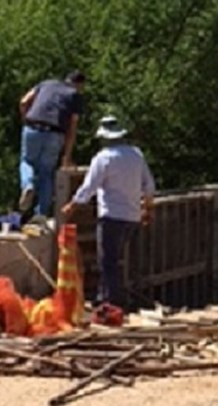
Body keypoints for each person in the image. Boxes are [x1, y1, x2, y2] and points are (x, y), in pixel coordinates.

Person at [60, 116, 155, 311]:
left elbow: (89, 187)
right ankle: (105, 297)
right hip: (132, 216)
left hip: (112, 216)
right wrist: (148, 208)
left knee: (107, 261)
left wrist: (72, 206)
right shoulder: (136, 155)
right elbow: (149, 185)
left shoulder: (103, 158)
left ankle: (113, 303)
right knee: (118, 260)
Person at [18, 71, 86, 220]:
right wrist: (67, 156)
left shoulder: (46, 83)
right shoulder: (75, 95)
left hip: (33, 127)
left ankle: (28, 185)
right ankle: (41, 215)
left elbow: (24, 101)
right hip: (55, 133)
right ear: (80, 85)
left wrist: (26, 122)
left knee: (27, 161)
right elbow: (72, 127)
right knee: (46, 173)